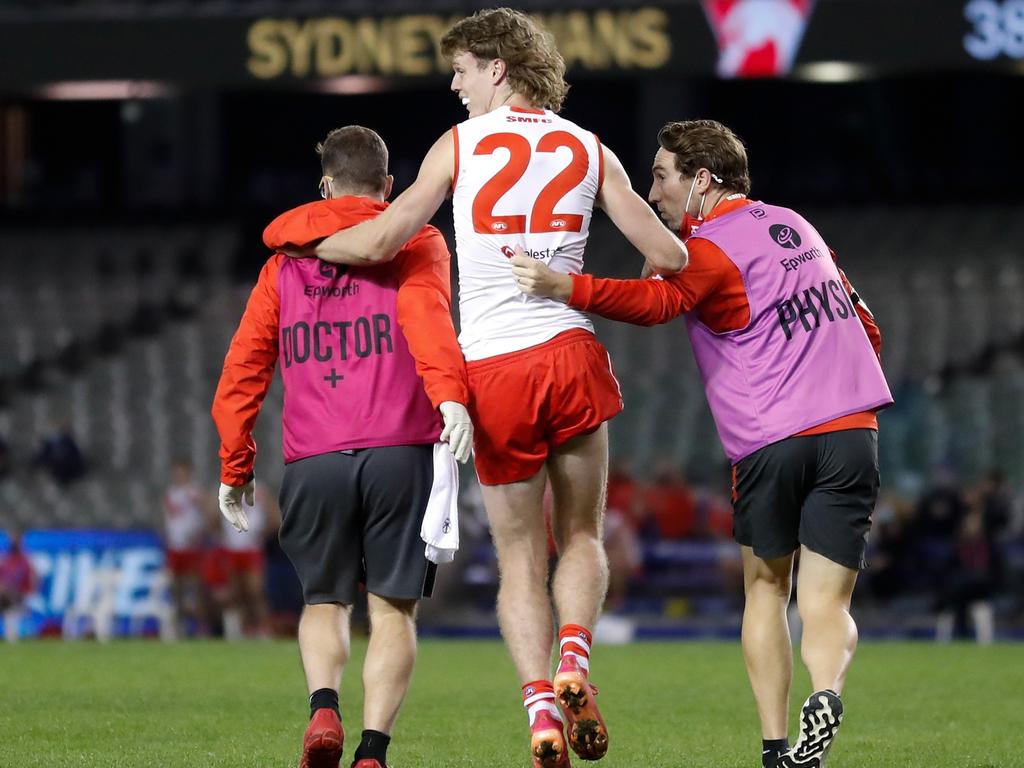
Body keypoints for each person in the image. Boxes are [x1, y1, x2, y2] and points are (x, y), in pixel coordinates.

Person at [265, 10, 687, 767]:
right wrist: (586, 285)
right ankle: (575, 665)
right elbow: (668, 254)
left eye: (462, 68)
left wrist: (293, 236)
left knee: (521, 558)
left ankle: (540, 716)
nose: (455, 85)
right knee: (583, 534)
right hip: (569, 350)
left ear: (499, 66)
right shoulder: (590, 148)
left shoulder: (458, 146)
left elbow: (386, 239)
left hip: (493, 368)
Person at [510, 119, 894, 768]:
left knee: (767, 590)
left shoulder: (711, 252)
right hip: (853, 429)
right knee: (828, 602)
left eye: (661, 177)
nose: (654, 193)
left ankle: (776, 748)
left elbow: (655, 305)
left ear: (703, 181)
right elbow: (868, 329)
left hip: (772, 438)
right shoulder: (800, 227)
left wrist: (561, 286)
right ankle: (826, 693)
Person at [212, 125, 472, 768]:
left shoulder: (283, 264)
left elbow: (244, 367)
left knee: (323, 602)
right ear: (387, 187)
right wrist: (452, 397)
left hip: (314, 458)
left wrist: (235, 462)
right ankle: (373, 752)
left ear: (323, 183)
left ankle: (323, 707)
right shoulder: (417, 240)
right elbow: (430, 320)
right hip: (401, 451)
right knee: (393, 612)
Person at [161, 456, 209, 639]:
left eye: (183, 471)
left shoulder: (194, 492)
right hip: (175, 546)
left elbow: (204, 513)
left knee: (194, 588)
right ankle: (179, 626)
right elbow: (167, 519)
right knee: (176, 588)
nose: (179, 475)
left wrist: (199, 533)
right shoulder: (170, 493)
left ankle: (201, 627)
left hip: (191, 547)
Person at [0, 532, 34, 643]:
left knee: (9, 599)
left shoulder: (25, 561)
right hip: (5, 595)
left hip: (18, 595)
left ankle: (12, 635)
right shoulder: (5, 560)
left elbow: (30, 581)